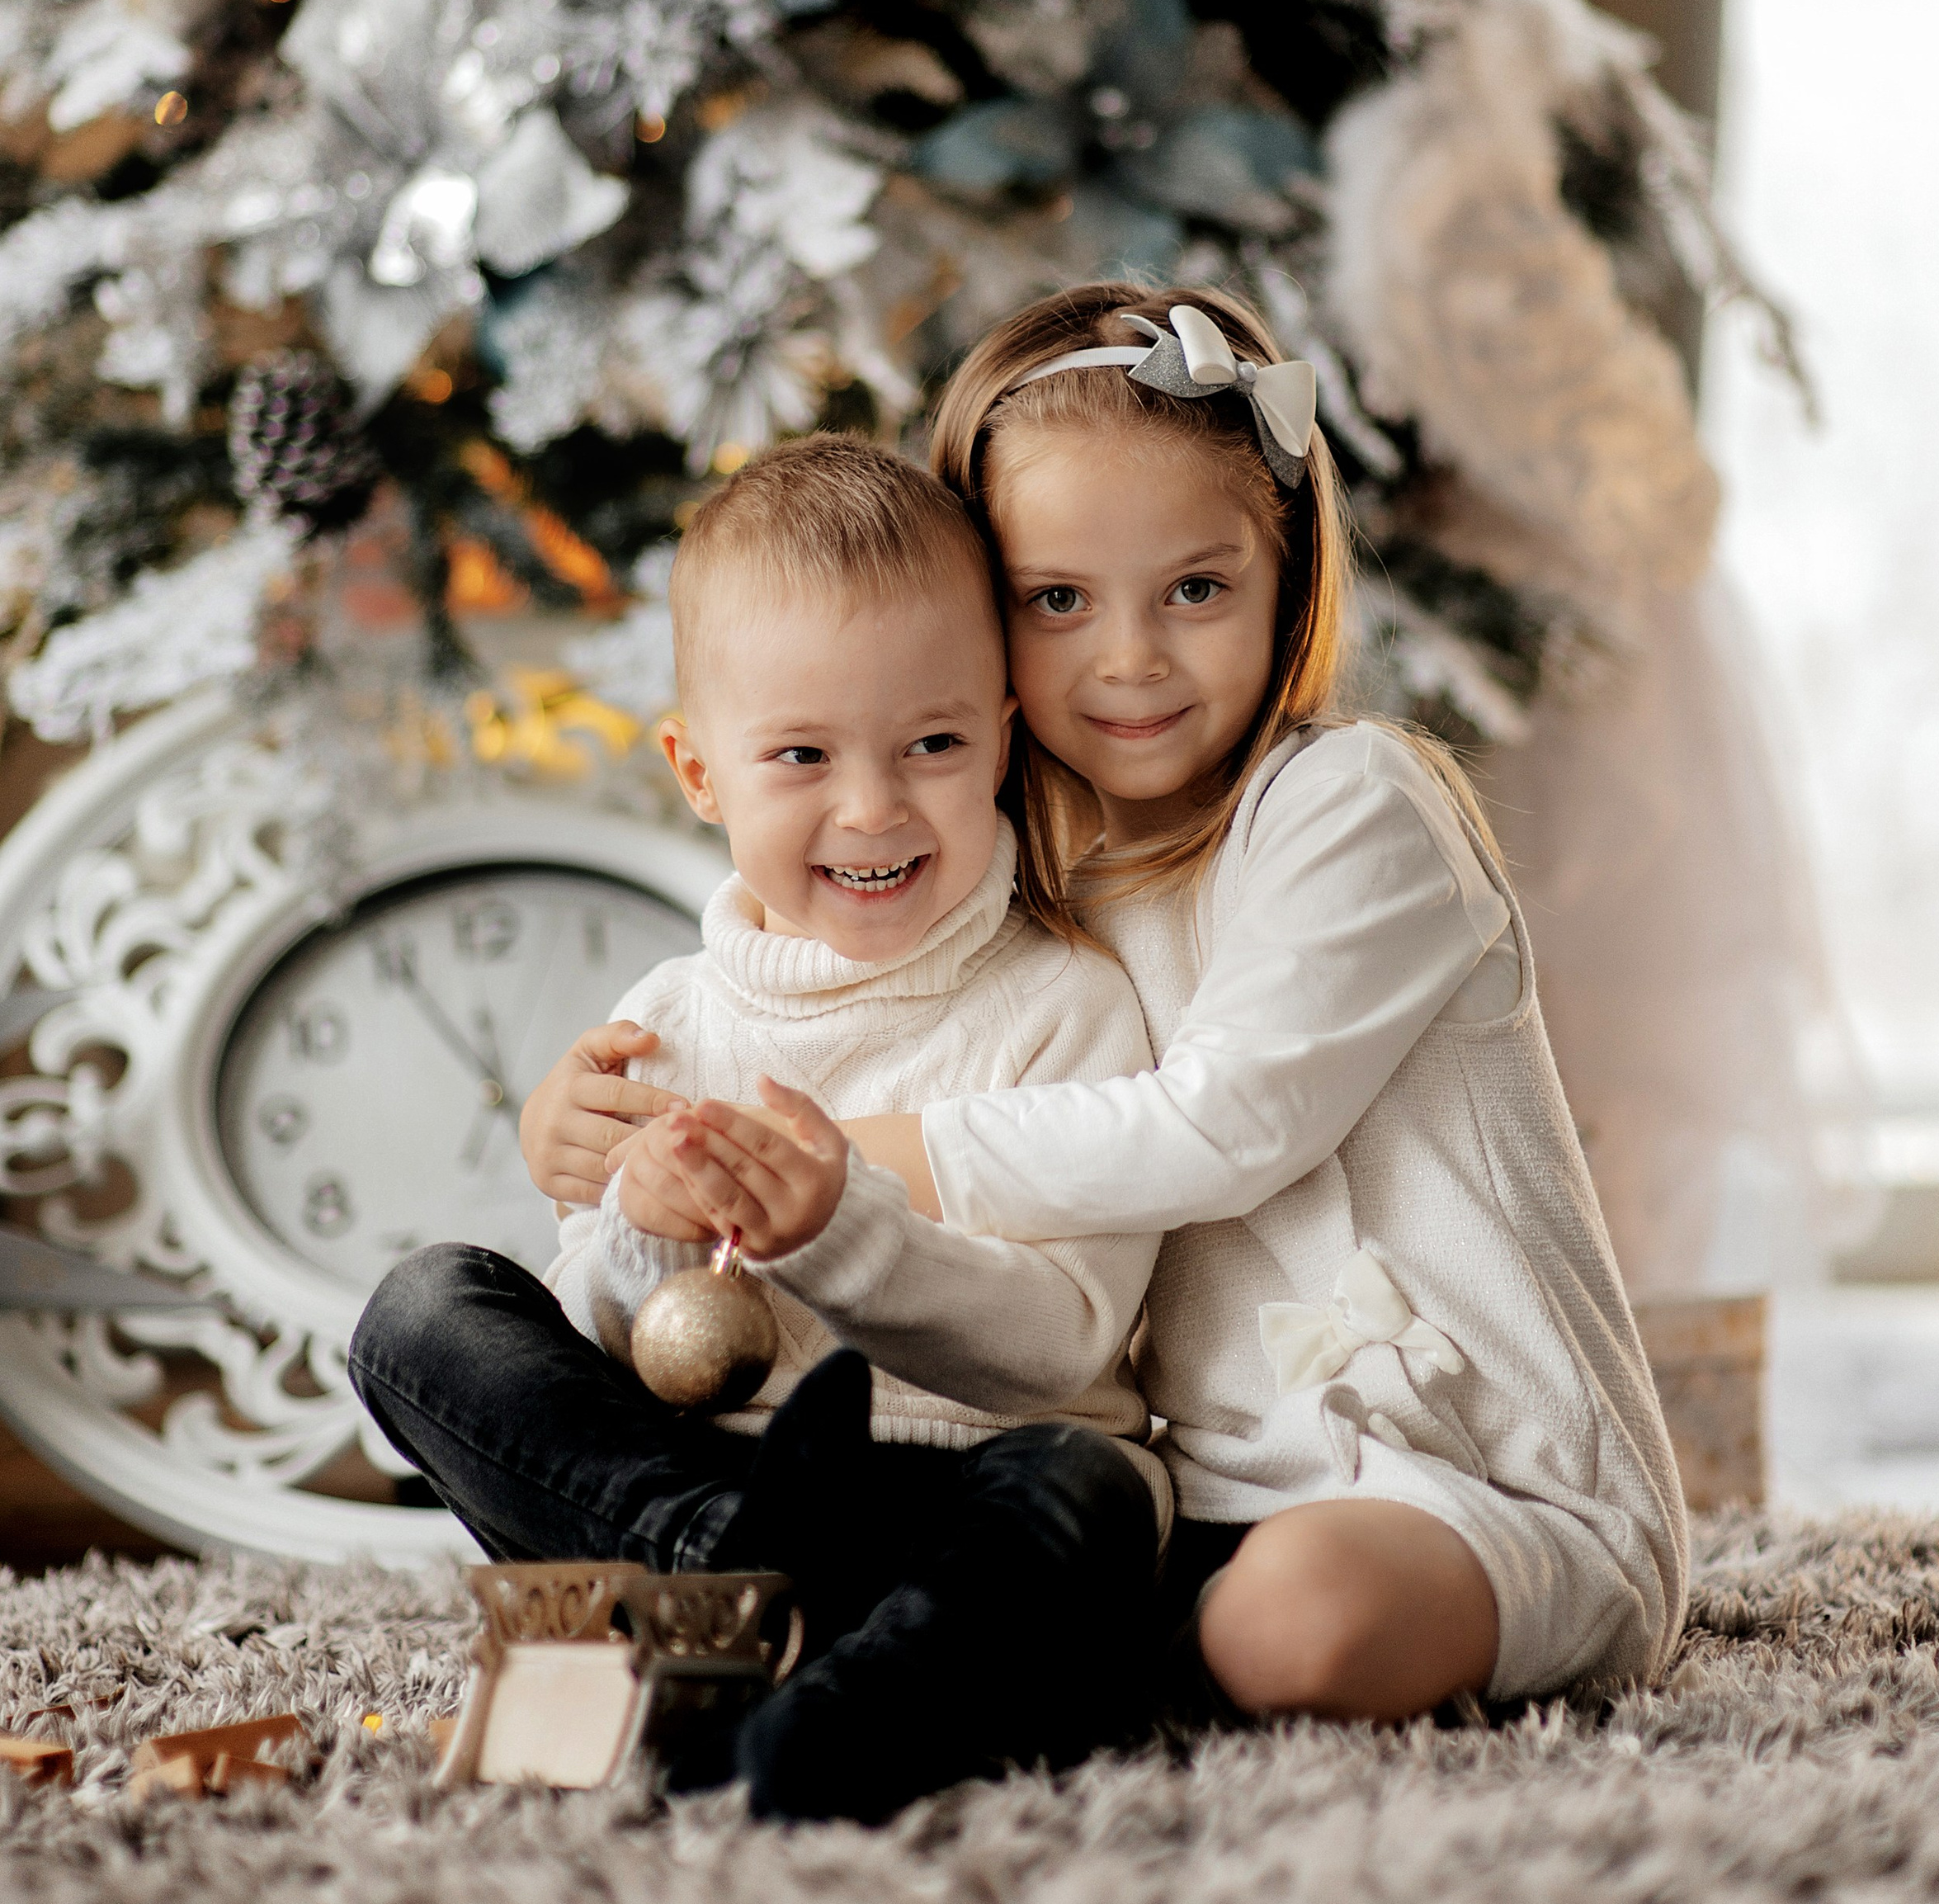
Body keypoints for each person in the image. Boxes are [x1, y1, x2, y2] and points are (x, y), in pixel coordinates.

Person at [527, 286, 1688, 1727]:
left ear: (1286, 584)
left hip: (1486, 1485)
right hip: (1194, 1496)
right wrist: (610, 1127)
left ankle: (940, 1657)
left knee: (1291, 1630)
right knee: (466, 1323)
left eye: (1195, 590)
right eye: (1057, 602)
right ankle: (873, 1629)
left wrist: (803, 1154)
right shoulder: (1027, 857)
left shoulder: (1348, 807)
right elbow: (805, 985)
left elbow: (1227, 1123)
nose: (1128, 660)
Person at [350, 437, 1165, 1825]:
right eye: (801, 754)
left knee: (1092, 1490)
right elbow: (610, 1358)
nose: (872, 805)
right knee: (423, 1312)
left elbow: (1066, 1344)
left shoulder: (1064, 1010)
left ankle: (833, 1709)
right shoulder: (663, 1025)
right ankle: (726, 1571)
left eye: (934, 744)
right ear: (698, 770)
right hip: (700, 1486)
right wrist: (638, 1232)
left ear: (1003, 741)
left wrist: (846, 1236)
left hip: (953, 1486)